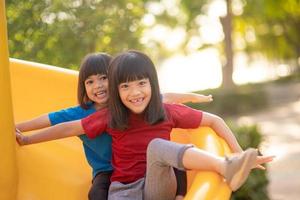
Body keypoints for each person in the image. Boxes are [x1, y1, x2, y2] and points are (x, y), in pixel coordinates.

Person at [16, 50, 273, 200]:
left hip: (156, 188)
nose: (134, 92)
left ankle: (227, 167)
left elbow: (213, 120)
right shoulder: (109, 116)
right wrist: (25, 137)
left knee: (161, 147)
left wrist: (238, 152)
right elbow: (66, 127)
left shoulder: (163, 109)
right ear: (117, 91)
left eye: (141, 84)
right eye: (125, 86)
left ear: (152, 84)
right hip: (124, 192)